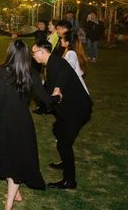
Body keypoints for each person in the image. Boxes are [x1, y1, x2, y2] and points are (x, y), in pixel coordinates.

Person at [0, 40, 61, 210]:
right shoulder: (31, 73)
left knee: (10, 157)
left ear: (10, 53)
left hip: (5, 120)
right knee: (11, 156)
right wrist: (57, 96)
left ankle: (9, 203)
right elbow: (45, 99)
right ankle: (16, 195)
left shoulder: (3, 70)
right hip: (21, 122)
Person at [32, 41, 93, 189]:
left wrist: (58, 87)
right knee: (58, 129)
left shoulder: (57, 63)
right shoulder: (50, 63)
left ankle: (69, 180)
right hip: (70, 109)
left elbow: (65, 71)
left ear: (42, 52)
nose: (32, 55)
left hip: (78, 110)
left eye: (34, 52)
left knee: (64, 143)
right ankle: (66, 161)